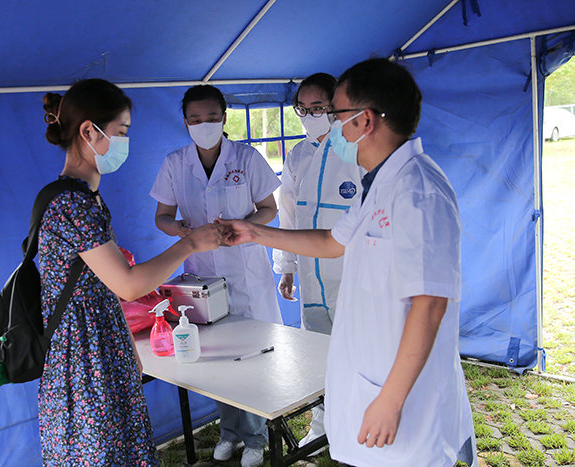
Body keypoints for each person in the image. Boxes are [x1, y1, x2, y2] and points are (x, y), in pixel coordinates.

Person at [218, 59, 475, 466]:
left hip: (404, 399)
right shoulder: (378, 185)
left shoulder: (418, 192)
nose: (331, 126)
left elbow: (430, 304)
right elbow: (331, 241)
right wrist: (254, 233)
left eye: (336, 114)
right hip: (374, 378)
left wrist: (391, 399)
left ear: (364, 120)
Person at [39, 79, 222, 466]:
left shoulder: (84, 197)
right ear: (89, 132)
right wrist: (190, 243)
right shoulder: (73, 204)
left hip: (103, 347)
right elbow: (127, 284)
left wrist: (125, 347)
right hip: (85, 361)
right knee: (103, 452)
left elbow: (104, 286)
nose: (125, 142)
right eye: (121, 132)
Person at [149, 84, 281, 467]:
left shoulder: (247, 158)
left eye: (211, 117)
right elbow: (162, 217)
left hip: (246, 270)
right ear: (185, 122)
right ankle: (229, 433)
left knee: (253, 355)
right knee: (218, 356)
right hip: (202, 275)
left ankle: (255, 437)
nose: (203, 125)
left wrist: (244, 227)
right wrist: (182, 232)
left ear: (224, 118)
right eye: (195, 119)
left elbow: (269, 208)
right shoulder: (175, 163)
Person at [273, 73, 362, 449]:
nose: (310, 116)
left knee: (357, 349)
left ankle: (360, 423)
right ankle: (323, 423)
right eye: (303, 109)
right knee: (317, 352)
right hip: (311, 273)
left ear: (336, 107)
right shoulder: (298, 155)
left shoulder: (356, 150)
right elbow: (288, 214)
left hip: (351, 272)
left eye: (318, 108)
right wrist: (287, 268)